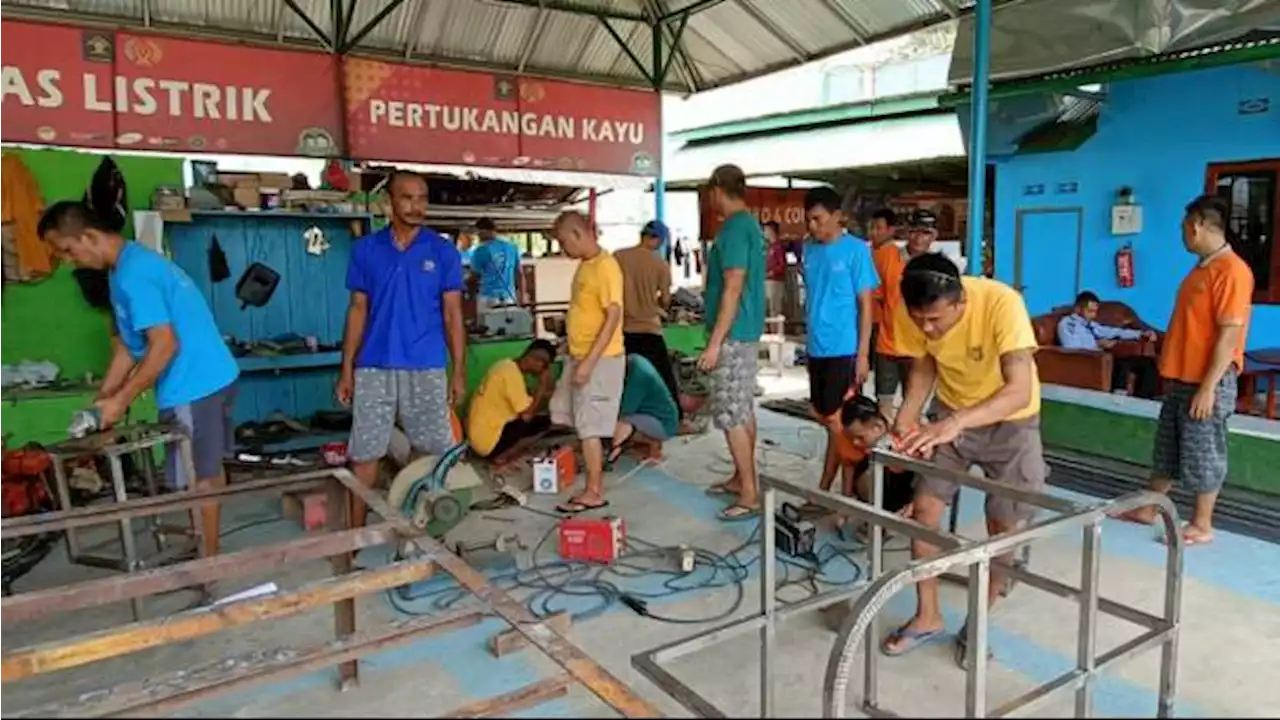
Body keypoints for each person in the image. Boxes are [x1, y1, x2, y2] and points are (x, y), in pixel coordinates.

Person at [39, 200, 240, 560]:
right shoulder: (124, 269)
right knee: (206, 469)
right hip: (211, 375)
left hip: (195, 384)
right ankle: (209, 550)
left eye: (68, 251)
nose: (69, 261)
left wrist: (123, 399)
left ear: (89, 236)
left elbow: (164, 345)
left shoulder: (134, 274)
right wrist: (104, 398)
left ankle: (209, 563)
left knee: (199, 478)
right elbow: (129, 349)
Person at [882, 252, 1045, 668]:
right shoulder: (913, 311)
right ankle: (928, 614)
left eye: (936, 319)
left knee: (1003, 530)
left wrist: (955, 423)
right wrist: (907, 414)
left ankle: (978, 624)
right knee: (923, 511)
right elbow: (923, 364)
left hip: (1011, 423)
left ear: (961, 302)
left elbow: (1019, 389)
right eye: (920, 320)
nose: (928, 328)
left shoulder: (1000, 303)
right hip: (950, 417)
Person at [1119, 196, 1254, 547]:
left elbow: (1229, 336)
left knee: (1203, 450)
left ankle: (1202, 523)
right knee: (1168, 448)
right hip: (1181, 377)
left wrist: (1208, 388)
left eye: (1183, 228)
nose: (1182, 235)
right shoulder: (1201, 268)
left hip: (1206, 380)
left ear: (1196, 225)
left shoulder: (1232, 272)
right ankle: (1150, 507)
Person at [337, 171, 467, 528]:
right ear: (388, 203)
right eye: (407, 198)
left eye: (422, 198)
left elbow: (453, 315)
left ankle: (431, 531)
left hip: (425, 365)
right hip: (373, 366)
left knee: (434, 452)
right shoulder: (366, 250)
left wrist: (457, 371)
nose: (417, 206)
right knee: (364, 455)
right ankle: (353, 538)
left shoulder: (443, 253)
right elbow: (358, 310)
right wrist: (346, 368)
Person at [698, 164, 767, 522]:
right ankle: (743, 478)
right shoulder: (748, 226)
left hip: (733, 334)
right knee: (742, 410)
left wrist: (714, 342)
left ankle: (750, 494)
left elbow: (733, 286)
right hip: (743, 332)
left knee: (730, 414)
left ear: (717, 190)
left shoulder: (735, 229)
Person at [801, 186, 879, 501]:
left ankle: (842, 494)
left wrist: (862, 354)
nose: (813, 226)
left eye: (818, 219)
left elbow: (866, 305)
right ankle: (832, 492)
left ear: (837, 216)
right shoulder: (809, 249)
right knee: (825, 418)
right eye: (809, 220)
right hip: (816, 348)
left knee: (840, 422)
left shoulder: (856, 251)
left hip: (844, 349)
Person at [548, 211, 626, 514]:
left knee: (589, 426)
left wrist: (588, 364)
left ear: (579, 235)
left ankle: (594, 490)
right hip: (579, 355)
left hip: (600, 360)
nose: (563, 248)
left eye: (564, 241)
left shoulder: (606, 267)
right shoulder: (585, 267)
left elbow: (613, 316)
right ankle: (593, 471)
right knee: (565, 413)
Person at [615, 219, 682, 419]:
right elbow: (666, 299)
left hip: (623, 330)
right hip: (649, 330)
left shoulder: (618, 257)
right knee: (664, 379)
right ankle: (675, 419)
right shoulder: (660, 264)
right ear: (658, 239)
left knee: (625, 380)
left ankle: (621, 422)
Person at [467, 340, 556, 465]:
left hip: (479, 437)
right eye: (545, 366)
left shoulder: (505, 366)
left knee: (535, 416)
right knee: (542, 423)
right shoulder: (511, 374)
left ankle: (501, 451)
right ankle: (501, 456)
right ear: (537, 360)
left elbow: (527, 399)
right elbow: (527, 415)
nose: (544, 371)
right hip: (487, 444)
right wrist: (541, 388)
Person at [1057, 290, 1160, 398]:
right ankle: (1119, 397)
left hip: (1103, 357)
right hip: (1091, 361)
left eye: (1095, 312)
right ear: (1078, 309)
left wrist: (1140, 334)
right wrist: (1097, 346)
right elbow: (1071, 348)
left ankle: (1144, 400)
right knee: (1122, 365)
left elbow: (1112, 331)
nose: (1093, 315)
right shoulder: (1068, 325)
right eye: (1090, 311)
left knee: (1148, 363)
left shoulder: (1090, 324)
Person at [868, 208, 911, 416]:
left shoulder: (894, 256)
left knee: (909, 397)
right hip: (878, 331)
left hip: (894, 333)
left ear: (891, 230)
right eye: (872, 228)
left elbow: (885, 293)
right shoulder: (870, 253)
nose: (873, 232)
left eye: (878, 228)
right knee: (883, 395)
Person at [608, 354, 681, 465]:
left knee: (620, 422)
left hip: (663, 424)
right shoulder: (636, 361)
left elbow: (625, 409)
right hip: (660, 416)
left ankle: (610, 455)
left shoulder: (638, 376)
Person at [470, 217, 521, 310]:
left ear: (485, 231)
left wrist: (468, 290)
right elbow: (519, 273)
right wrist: (522, 295)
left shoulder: (481, 250)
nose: (478, 236)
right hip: (509, 297)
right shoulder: (512, 247)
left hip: (488, 297)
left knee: (486, 324)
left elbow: (474, 276)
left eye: (479, 232)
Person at [764, 220, 787, 317]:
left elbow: (782, 266)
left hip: (775, 282)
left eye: (766, 230)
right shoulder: (767, 247)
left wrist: (771, 273)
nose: (764, 233)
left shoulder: (778, 247)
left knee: (775, 309)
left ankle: (777, 330)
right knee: (767, 309)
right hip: (765, 281)